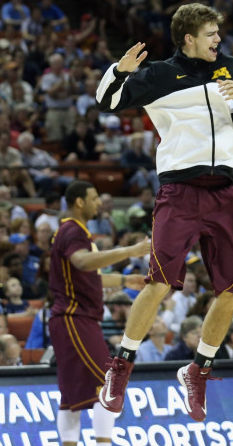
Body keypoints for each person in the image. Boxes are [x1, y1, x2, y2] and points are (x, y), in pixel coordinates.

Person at [96, 3, 233, 424]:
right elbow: (107, 101)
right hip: (181, 190)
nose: (217, 40)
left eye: (217, 34)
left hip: (224, 190)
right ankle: (121, 367)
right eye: (210, 34)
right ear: (188, 38)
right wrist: (120, 70)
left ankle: (198, 370)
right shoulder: (161, 75)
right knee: (160, 281)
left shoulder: (231, 70)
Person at [48, 181, 150, 446]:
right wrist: (130, 251)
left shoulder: (72, 231)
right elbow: (82, 261)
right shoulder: (73, 229)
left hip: (74, 317)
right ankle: (104, 442)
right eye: (94, 198)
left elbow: (91, 276)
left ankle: (69, 442)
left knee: (71, 396)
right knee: (109, 384)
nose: (99, 203)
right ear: (80, 201)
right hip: (73, 316)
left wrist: (125, 281)